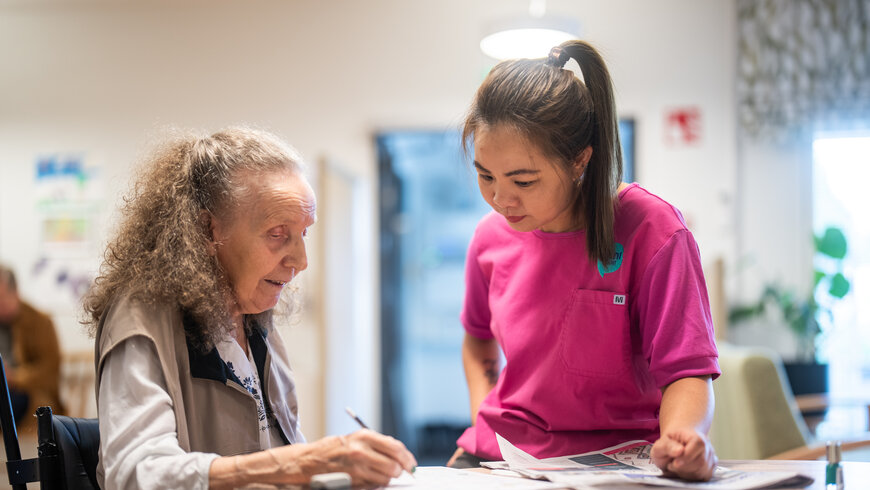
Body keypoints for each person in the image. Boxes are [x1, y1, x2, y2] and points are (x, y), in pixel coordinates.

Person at [82, 127, 416, 489]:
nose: (301, 261)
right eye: (277, 234)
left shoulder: (256, 321)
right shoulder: (142, 317)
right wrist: (304, 462)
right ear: (208, 230)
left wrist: (337, 469)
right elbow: (134, 475)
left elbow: (283, 462)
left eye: (303, 233)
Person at [447, 40, 720, 481]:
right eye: (485, 175)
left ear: (579, 161)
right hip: (502, 453)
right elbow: (477, 338)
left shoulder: (652, 230)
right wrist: (483, 415)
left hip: (615, 459)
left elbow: (687, 370)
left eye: (523, 181)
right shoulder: (489, 237)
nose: (500, 198)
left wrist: (683, 437)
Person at [0, 264, 64, 430]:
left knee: (8, 402)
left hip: (26, 394)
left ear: (15, 292)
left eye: (2, 299)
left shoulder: (40, 322)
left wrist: (14, 377)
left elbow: (50, 370)